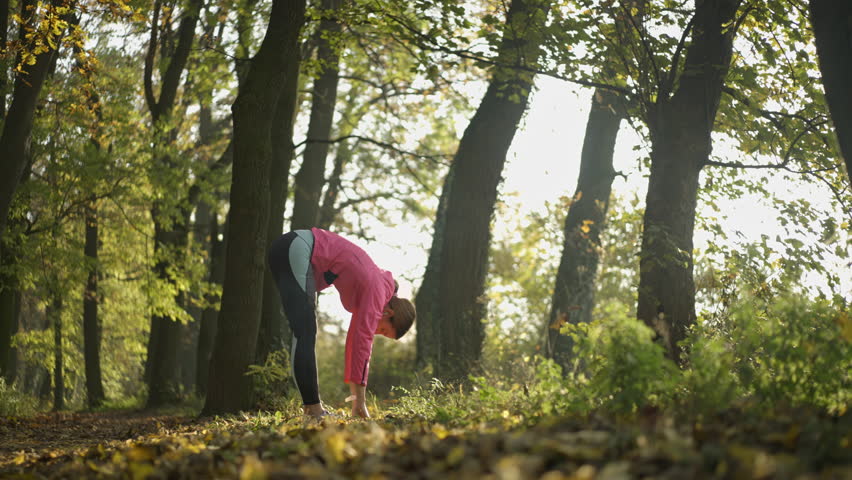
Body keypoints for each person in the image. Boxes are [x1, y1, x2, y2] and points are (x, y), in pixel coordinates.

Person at [267, 228, 416, 418]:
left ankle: (311, 410)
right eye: (384, 330)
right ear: (388, 312)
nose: (377, 333)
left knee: (304, 329)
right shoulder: (377, 290)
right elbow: (363, 344)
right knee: (305, 331)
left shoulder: (375, 290)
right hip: (297, 247)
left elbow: (354, 344)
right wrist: (360, 403)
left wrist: (356, 401)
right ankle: (313, 411)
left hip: (292, 249)